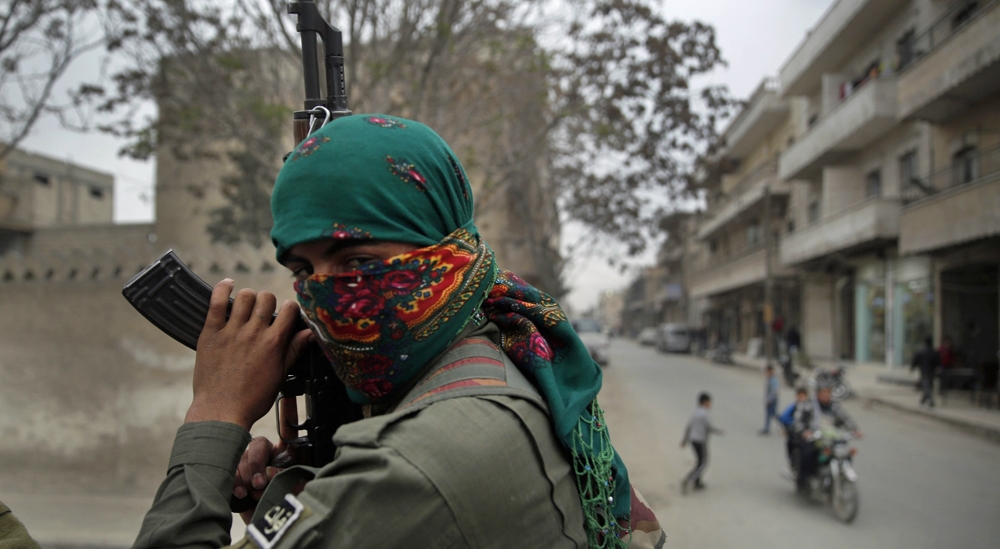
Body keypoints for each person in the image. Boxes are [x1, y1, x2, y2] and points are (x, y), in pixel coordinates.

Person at [131, 115, 664, 549]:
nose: (324, 294)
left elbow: (415, 483)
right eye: (301, 270)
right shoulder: (501, 350)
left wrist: (214, 415)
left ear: (446, 249)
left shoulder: (416, 463)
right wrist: (283, 501)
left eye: (358, 259)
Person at [793, 385, 861, 493]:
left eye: (828, 393)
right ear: (818, 394)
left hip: (831, 439)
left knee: (845, 454)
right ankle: (803, 480)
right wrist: (805, 432)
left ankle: (838, 477)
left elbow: (845, 418)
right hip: (815, 438)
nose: (826, 396)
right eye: (823, 393)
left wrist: (855, 430)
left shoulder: (834, 406)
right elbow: (798, 421)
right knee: (808, 453)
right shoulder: (808, 405)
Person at [680, 392, 722, 494]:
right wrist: (719, 431)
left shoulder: (696, 412)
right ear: (705, 402)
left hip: (693, 440)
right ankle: (689, 479)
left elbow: (689, 426)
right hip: (700, 441)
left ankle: (697, 482)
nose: (710, 404)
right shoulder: (704, 414)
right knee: (703, 462)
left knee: (699, 460)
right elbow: (710, 427)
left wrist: (684, 439)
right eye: (709, 402)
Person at [911, 336, 940, 407]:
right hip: (931, 372)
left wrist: (912, 368)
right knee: (928, 386)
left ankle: (930, 400)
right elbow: (938, 362)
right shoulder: (933, 352)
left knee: (926, 386)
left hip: (924, 371)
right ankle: (924, 399)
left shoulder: (921, 352)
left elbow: (915, 361)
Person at [759, 366, 780, 435]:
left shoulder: (773, 380)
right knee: (769, 414)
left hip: (772, 400)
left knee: (773, 414)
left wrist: (769, 399)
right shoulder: (769, 379)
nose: (766, 373)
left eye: (767, 371)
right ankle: (766, 429)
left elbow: (774, 391)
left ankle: (784, 424)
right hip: (771, 399)